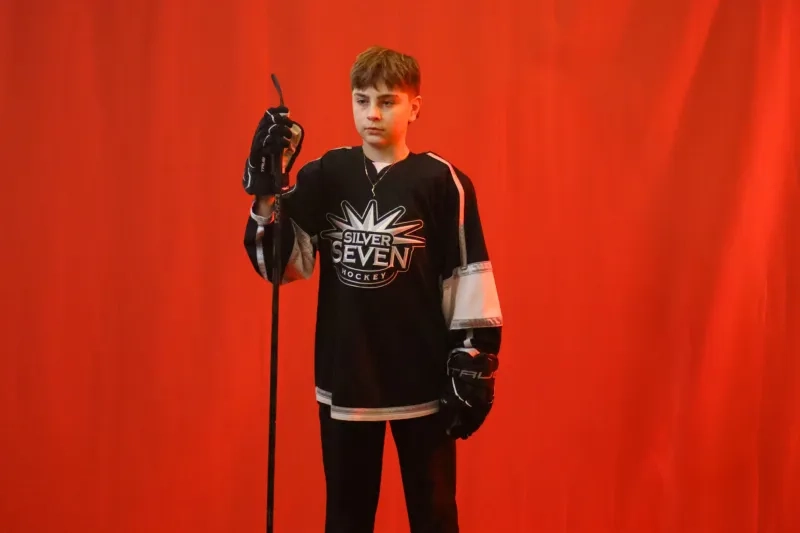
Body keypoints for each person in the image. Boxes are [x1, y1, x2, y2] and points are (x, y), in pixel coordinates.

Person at [242, 45, 503, 533]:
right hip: (347, 377)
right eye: (362, 100)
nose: (373, 113)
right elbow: (280, 267)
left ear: (415, 107)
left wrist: (474, 359)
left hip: (422, 381)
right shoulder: (325, 175)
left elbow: (468, 273)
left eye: (388, 101)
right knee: (346, 516)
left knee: (435, 515)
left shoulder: (443, 182)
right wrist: (265, 192)